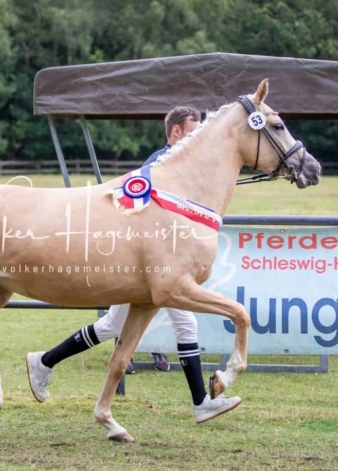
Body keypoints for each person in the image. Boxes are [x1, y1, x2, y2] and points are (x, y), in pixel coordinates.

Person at [26, 106, 241, 424]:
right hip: (149, 265)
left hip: (153, 267)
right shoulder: (160, 163)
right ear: (177, 132)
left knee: (112, 326)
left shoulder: (191, 166)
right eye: (194, 131)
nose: (201, 138)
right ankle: (200, 402)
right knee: (183, 325)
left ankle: (44, 360)